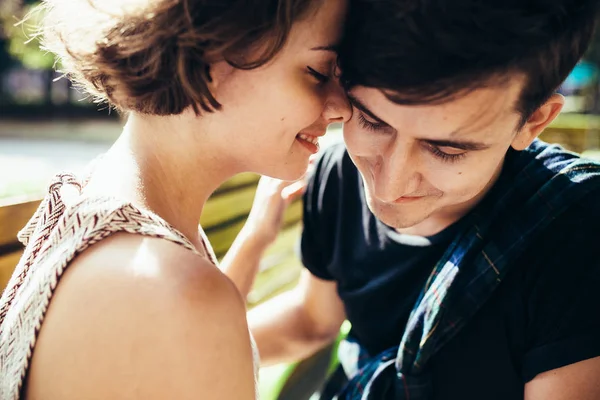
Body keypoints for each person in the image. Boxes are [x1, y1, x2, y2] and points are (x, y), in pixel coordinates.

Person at [222, 0, 600, 398]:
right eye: (371, 121)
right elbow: (312, 321)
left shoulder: (578, 233)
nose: (388, 185)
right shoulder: (337, 173)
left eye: (447, 151)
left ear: (533, 122)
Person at [0, 0, 351, 399]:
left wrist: (254, 240)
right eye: (319, 73)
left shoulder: (105, 202)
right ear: (213, 53)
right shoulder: (170, 288)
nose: (341, 106)